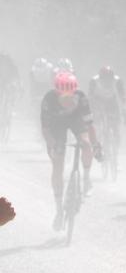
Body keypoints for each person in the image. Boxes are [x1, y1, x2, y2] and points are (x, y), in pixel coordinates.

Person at [40, 72, 102, 230]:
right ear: (57, 93)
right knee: (58, 164)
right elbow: (46, 130)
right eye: (64, 97)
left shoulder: (81, 98)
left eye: (71, 96)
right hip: (56, 125)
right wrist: (53, 145)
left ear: (75, 92)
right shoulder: (49, 100)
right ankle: (59, 210)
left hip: (76, 121)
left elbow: (89, 125)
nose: (68, 100)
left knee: (86, 144)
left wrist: (96, 145)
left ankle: (86, 179)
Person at [88, 66, 126, 143]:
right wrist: (90, 110)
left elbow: (122, 95)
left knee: (116, 122)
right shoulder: (94, 80)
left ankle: (116, 133)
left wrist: (124, 108)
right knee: (96, 120)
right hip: (98, 100)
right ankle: (98, 134)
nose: (106, 82)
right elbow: (90, 96)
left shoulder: (117, 80)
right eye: (104, 79)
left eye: (109, 79)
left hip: (111, 101)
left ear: (112, 78)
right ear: (100, 78)